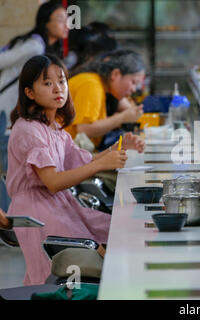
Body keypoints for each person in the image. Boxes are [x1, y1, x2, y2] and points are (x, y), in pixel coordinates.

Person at [6, 54, 142, 285]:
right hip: (36, 212)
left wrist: (118, 148)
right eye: (47, 83)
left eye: (62, 81)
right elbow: (53, 182)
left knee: (114, 230)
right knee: (56, 273)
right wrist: (101, 164)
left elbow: (83, 161)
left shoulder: (53, 127)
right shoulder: (28, 130)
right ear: (29, 92)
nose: (58, 88)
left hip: (57, 204)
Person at [0, 0, 68, 129]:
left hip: (22, 109)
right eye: (60, 20)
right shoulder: (35, 46)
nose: (66, 26)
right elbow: (2, 60)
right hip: (8, 108)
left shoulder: (48, 48)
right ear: (46, 22)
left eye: (67, 21)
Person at [66, 50, 145, 150]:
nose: (134, 89)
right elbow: (84, 129)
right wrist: (122, 118)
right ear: (115, 74)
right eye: (133, 82)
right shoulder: (91, 85)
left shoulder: (103, 86)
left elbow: (131, 110)